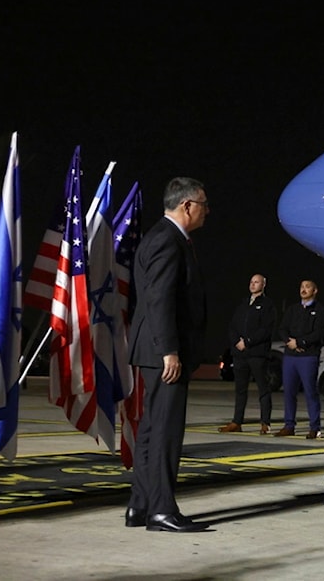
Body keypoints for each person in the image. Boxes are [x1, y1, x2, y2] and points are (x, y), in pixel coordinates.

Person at [124, 177, 210, 533]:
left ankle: (141, 506)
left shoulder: (164, 237)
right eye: (204, 204)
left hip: (155, 350)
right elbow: (159, 300)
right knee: (165, 433)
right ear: (187, 206)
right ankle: (161, 510)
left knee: (151, 430)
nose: (207, 211)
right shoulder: (167, 240)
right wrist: (169, 351)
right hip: (163, 354)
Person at [219, 274, 276, 435]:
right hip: (240, 355)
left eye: (256, 282)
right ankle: (237, 421)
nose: (252, 284)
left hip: (257, 354)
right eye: (251, 282)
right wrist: (236, 341)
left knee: (263, 388)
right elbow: (232, 326)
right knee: (240, 389)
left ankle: (265, 422)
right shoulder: (243, 304)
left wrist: (248, 341)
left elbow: (266, 329)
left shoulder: (267, 305)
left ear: (264, 284)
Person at [274, 279, 324, 439]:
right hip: (291, 357)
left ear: (315, 290)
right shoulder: (293, 309)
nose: (304, 290)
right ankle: (289, 425)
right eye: (302, 287)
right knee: (289, 392)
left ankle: (314, 427)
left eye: (307, 287)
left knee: (310, 392)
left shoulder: (320, 311)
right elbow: (282, 328)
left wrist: (300, 342)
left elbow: (319, 333)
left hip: (308, 356)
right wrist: (289, 343)